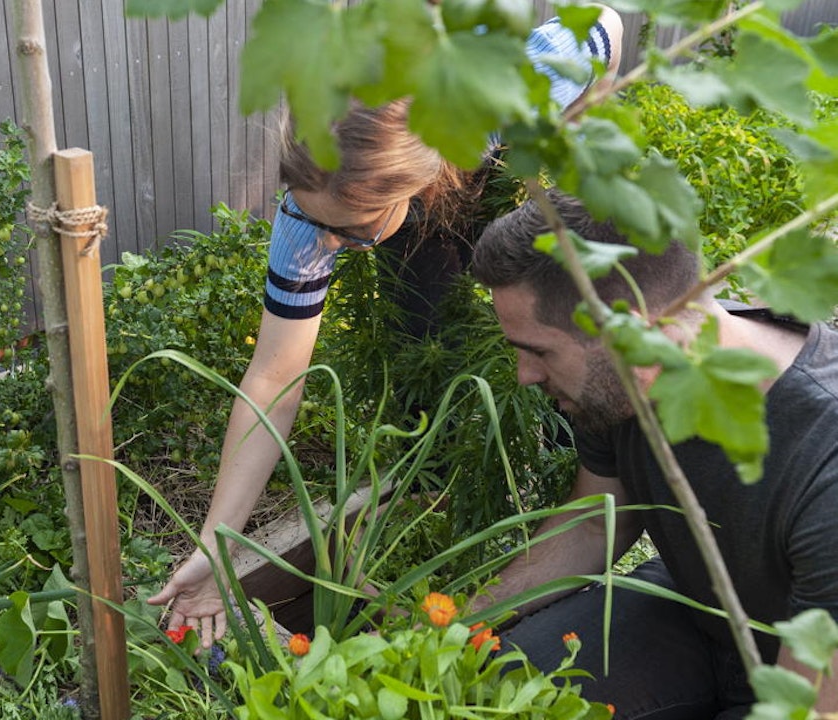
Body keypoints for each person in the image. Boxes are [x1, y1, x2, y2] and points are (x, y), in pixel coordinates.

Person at [148, 8, 625, 646]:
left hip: (506, 167)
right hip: (416, 206)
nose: (325, 241)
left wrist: (570, 150)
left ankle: (563, 492)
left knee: (554, 342)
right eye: (314, 219)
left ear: (412, 178)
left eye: (346, 229)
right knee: (426, 337)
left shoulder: (512, 94)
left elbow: (607, 23)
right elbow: (274, 377)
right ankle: (443, 485)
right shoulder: (307, 219)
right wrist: (216, 545)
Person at [469, 191, 838, 716]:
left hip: (809, 684)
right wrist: (451, 624)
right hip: (694, 614)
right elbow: (594, 526)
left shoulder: (825, 461)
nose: (525, 376)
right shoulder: (620, 387)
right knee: (497, 694)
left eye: (539, 351)